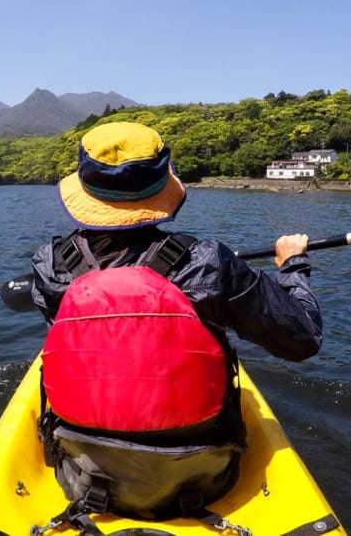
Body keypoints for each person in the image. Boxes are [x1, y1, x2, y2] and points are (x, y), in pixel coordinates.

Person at [30, 121, 322, 526]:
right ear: (162, 184)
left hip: (84, 475)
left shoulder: (49, 263)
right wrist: (293, 266)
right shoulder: (208, 261)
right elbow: (302, 339)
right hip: (204, 477)